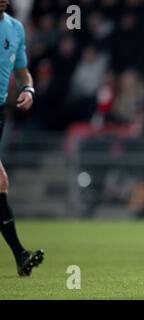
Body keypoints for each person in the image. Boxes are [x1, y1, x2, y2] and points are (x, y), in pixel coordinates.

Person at [0, 0, 44, 276]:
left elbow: (22, 70)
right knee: (0, 181)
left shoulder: (15, 28)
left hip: (0, 111)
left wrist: (28, 88)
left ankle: (20, 256)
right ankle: (20, 254)